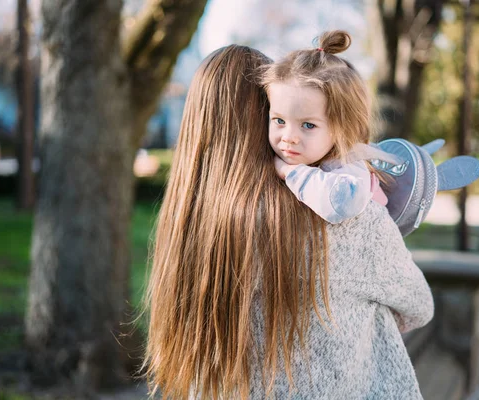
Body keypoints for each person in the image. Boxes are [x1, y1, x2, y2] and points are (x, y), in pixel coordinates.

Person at [143, 42, 434, 400]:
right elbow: (419, 305)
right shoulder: (346, 220)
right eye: (278, 117)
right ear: (260, 118)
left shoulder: (188, 227)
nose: (288, 135)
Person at [262, 30, 389, 224]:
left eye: (308, 125)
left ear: (344, 128)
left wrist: (288, 172)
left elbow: (344, 202)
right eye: (280, 121)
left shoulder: (347, 164)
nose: (289, 137)